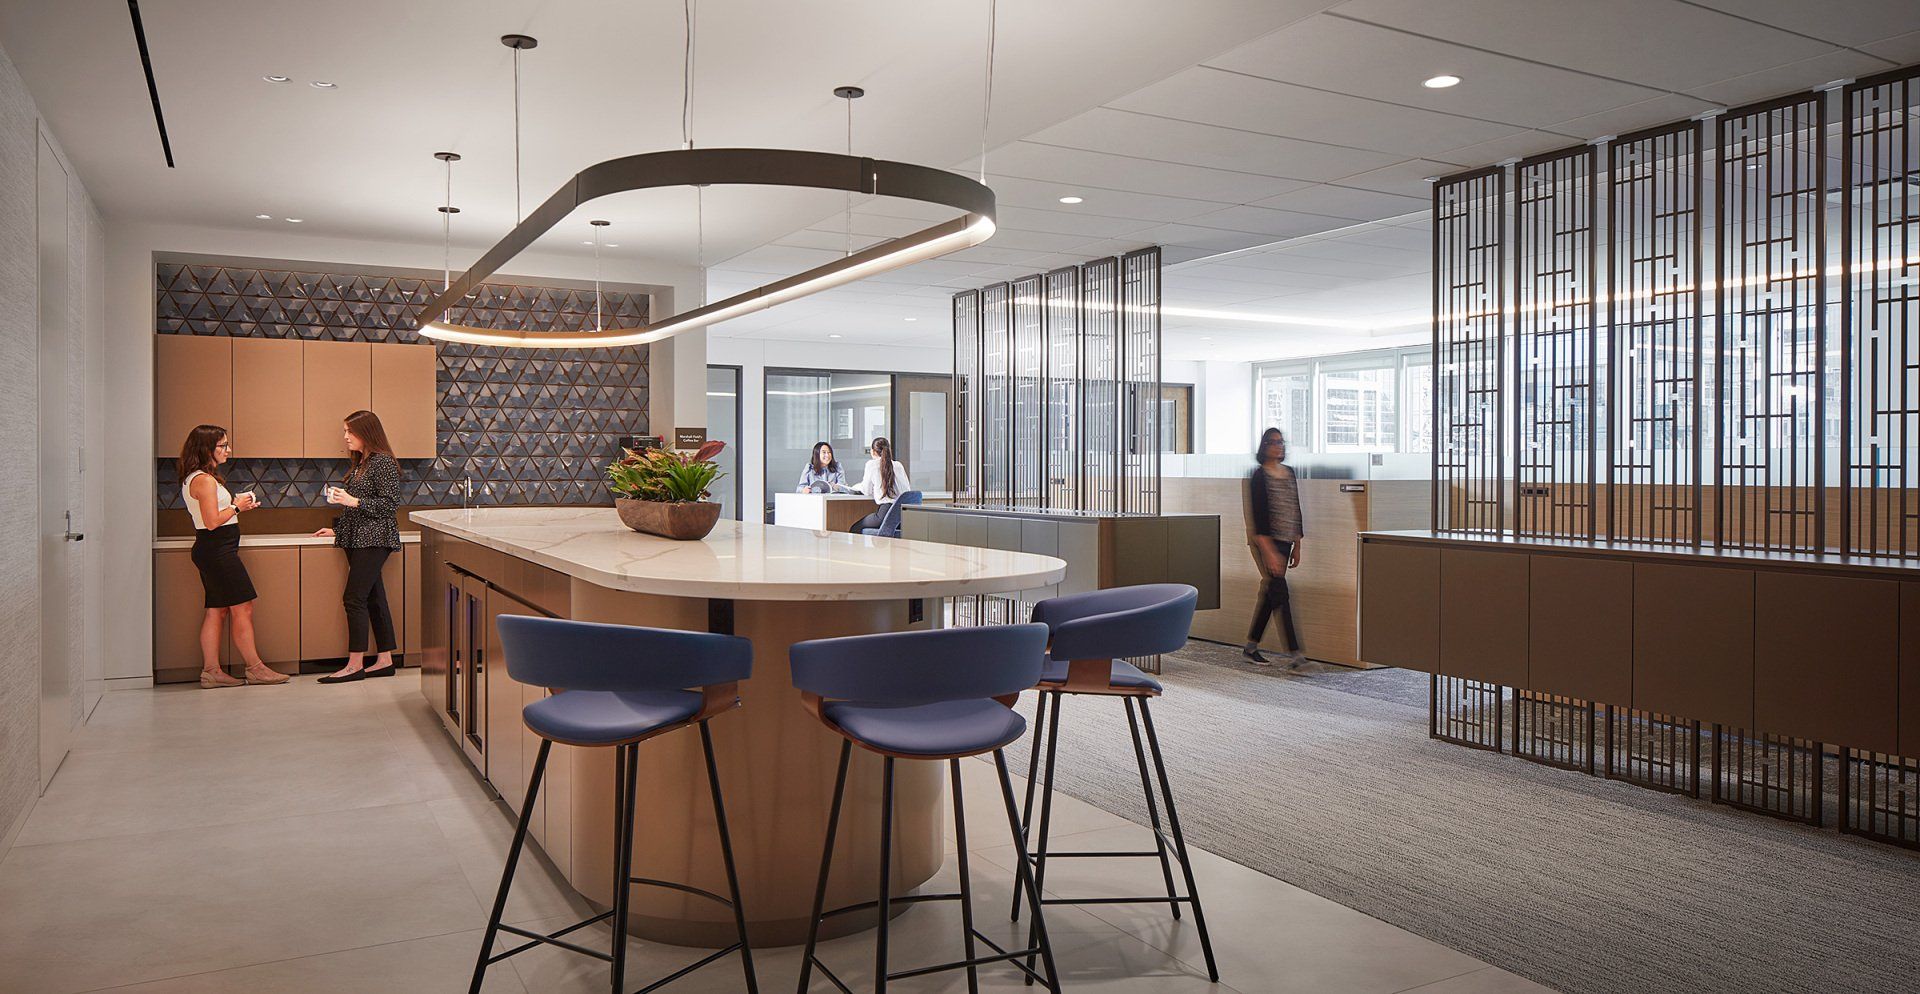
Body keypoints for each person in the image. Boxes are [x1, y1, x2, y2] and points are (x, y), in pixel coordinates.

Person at [177, 425, 291, 688]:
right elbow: (213, 521)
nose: (228, 450)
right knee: (243, 607)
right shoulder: (203, 480)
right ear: (207, 448)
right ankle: (255, 669)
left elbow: (215, 517)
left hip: (212, 549)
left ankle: (211, 671)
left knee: (216, 611)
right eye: (223, 446)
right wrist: (236, 506)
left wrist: (239, 508)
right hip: (218, 551)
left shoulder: (197, 477)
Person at [313, 410, 403, 683]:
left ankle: (354, 664)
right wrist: (338, 528)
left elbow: (390, 505)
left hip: (374, 538)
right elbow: (359, 504)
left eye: (349, 432)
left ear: (366, 433)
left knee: (354, 598)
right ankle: (385, 660)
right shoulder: (362, 462)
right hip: (358, 535)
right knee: (374, 597)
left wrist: (353, 502)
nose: (345, 437)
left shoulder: (382, 462)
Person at [1244, 427, 1305, 667]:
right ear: (1264, 446)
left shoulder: (1289, 473)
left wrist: (1297, 544)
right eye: (1272, 442)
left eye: (1280, 442)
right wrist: (1269, 551)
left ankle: (1250, 647)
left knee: (1271, 594)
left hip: (1286, 541)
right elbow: (1258, 518)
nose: (1278, 445)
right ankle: (1296, 654)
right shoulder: (1259, 476)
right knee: (1281, 594)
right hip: (1266, 543)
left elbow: (1295, 509)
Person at [847, 436, 911, 533]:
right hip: (903, 517)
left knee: (854, 529)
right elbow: (907, 490)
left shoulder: (872, 464)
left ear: (872, 452)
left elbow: (866, 490)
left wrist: (854, 487)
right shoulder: (898, 465)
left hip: (885, 515)